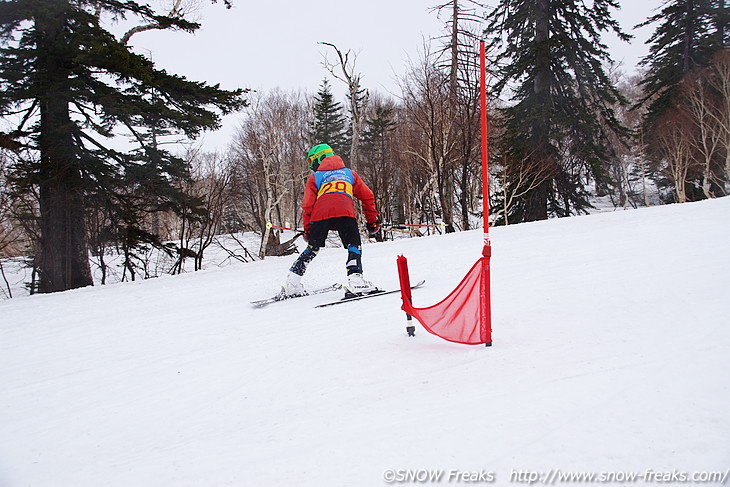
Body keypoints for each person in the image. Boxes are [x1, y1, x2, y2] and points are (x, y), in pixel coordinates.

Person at [282, 143, 381, 297]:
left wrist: (308, 229)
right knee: (353, 246)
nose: (311, 166)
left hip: (320, 215)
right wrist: (371, 221)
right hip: (345, 212)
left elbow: (307, 206)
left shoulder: (315, 177)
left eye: (311, 161)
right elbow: (368, 196)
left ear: (320, 158)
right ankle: (356, 280)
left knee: (312, 249)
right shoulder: (350, 174)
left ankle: (292, 283)